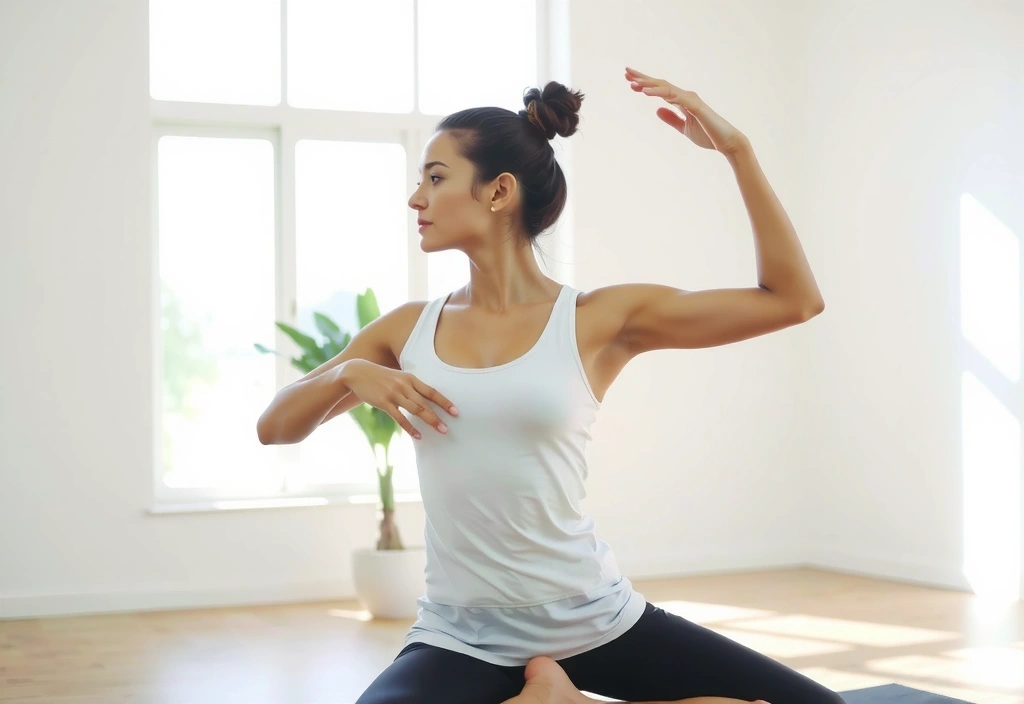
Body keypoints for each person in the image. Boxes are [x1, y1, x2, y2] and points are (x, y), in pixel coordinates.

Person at [257, 67, 836, 704]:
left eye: (436, 177)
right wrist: (348, 372)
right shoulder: (405, 330)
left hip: (595, 621)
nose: (415, 199)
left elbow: (793, 300)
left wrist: (738, 150)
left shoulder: (598, 319)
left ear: (499, 191)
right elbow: (275, 427)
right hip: (461, 635)